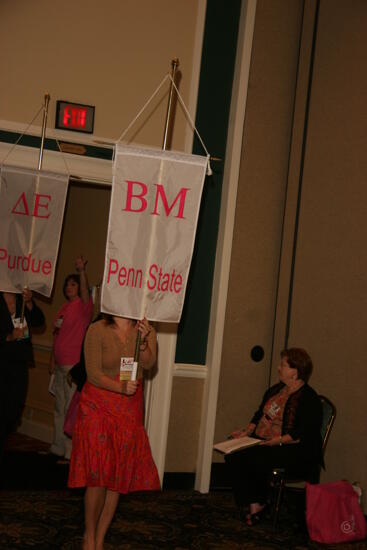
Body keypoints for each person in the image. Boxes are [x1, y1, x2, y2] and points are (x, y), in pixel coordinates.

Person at [68, 314, 160, 550]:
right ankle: (89, 536)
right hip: (97, 405)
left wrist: (146, 341)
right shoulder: (97, 328)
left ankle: (99, 540)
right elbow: (93, 373)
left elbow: (149, 364)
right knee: (98, 472)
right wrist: (120, 386)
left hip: (128, 409)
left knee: (116, 476)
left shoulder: (144, 328)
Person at [225, 348, 322, 525]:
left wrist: (274, 441)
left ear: (295, 371)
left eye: (282, 365)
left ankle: (258, 505)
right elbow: (258, 415)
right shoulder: (276, 391)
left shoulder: (309, 398)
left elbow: (301, 433)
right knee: (233, 450)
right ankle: (256, 502)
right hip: (265, 441)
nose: (278, 368)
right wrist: (246, 432)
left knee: (254, 456)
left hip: (293, 449)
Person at [49, 256, 93, 461]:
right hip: (59, 363)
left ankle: (70, 451)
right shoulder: (63, 308)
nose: (69, 287)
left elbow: (85, 291)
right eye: (67, 285)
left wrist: (81, 271)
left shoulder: (83, 306)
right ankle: (57, 445)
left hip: (72, 364)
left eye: (73, 284)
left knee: (69, 408)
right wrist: (52, 360)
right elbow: (56, 335)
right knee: (59, 406)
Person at [0, 288, 45, 461]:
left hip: (19, 362)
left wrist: (29, 302)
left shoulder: (21, 298)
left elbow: (39, 321)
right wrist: (8, 337)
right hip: (2, 360)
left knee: (14, 408)